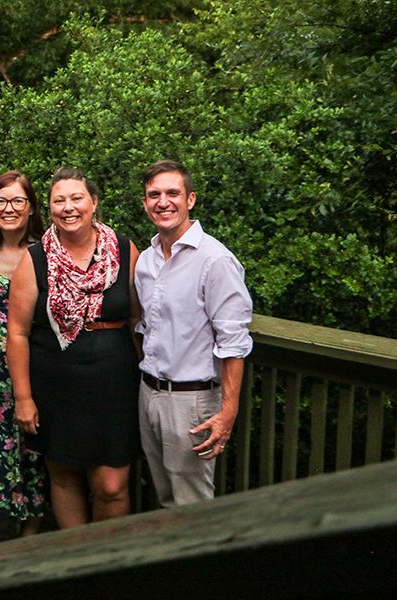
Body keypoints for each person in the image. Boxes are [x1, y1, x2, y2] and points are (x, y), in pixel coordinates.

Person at [7, 167, 141, 529]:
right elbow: (17, 332)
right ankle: (76, 563)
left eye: (76, 198)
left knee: (111, 485)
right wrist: (23, 398)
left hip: (114, 383)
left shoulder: (125, 251)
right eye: (58, 200)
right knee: (64, 474)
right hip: (56, 384)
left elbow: (140, 320)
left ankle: (108, 562)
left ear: (94, 203)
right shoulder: (36, 259)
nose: (68, 207)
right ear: (49, 209)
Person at [135, 159, 253, 507]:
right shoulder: (147, 260)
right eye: (153, 194)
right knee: (165, 498)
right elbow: (145, 327)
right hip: (150, 394)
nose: (163, 201)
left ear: (190, 200)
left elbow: (233, 342)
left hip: (193, 401)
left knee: (193, 507)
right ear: (145, 203)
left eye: (173, 193)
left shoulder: (215, 260)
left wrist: (228, 412)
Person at [0, 171, 47, 536]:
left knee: (33, 447)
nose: (9, 208)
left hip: (36, 363)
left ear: (31, 207)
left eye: (18, 200)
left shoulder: (48, 249)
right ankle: (0, 527)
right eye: (1, 201)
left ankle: (31, 531)